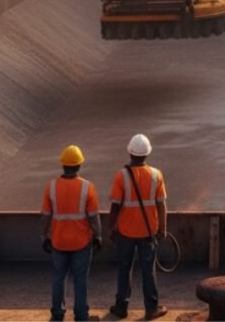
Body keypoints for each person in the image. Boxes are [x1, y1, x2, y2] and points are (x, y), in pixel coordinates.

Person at [108, 134, 168, 321]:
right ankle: (151, 308)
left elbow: (115, 206)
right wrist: (162, 229)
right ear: (147, 154)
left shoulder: (121, 176)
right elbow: (161, 205)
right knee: (148, 270)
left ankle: (121, 307)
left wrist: (112, 228)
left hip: (125, 232)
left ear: (130, 152)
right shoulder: (156, 175)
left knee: (124, 269)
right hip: (148, 232)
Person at [40, 145, 102, 322]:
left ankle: (57, 314)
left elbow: (45, 216)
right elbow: (94, 217)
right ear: (79, 165)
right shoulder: (87, 187)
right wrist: (98, 236)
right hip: (81, 243)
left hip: (58, 242)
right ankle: (81, 316)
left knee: (59, 278)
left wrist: (44, 236)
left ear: (63, 165)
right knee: (80, 280)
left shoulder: (51, 187)